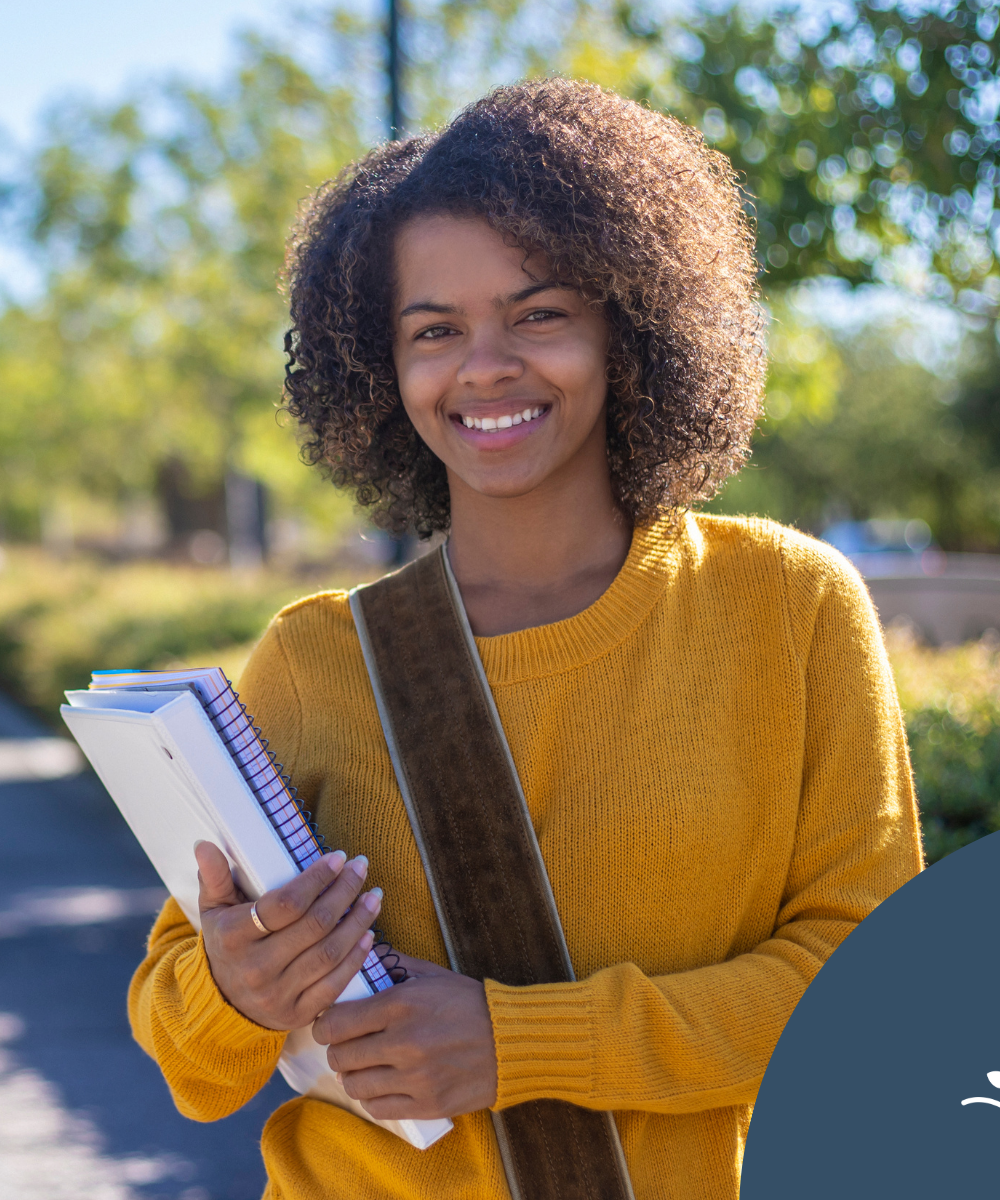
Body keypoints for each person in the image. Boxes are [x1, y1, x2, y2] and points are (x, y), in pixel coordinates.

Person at [128, 78, 923, 1200]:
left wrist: (518, 1044)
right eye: (433, 330)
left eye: (539, 313)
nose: (484, 365)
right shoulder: (315, 661)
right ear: (379, 366)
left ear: (629, 325)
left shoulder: (789, 608)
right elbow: (187, 1057)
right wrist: (236, 987)